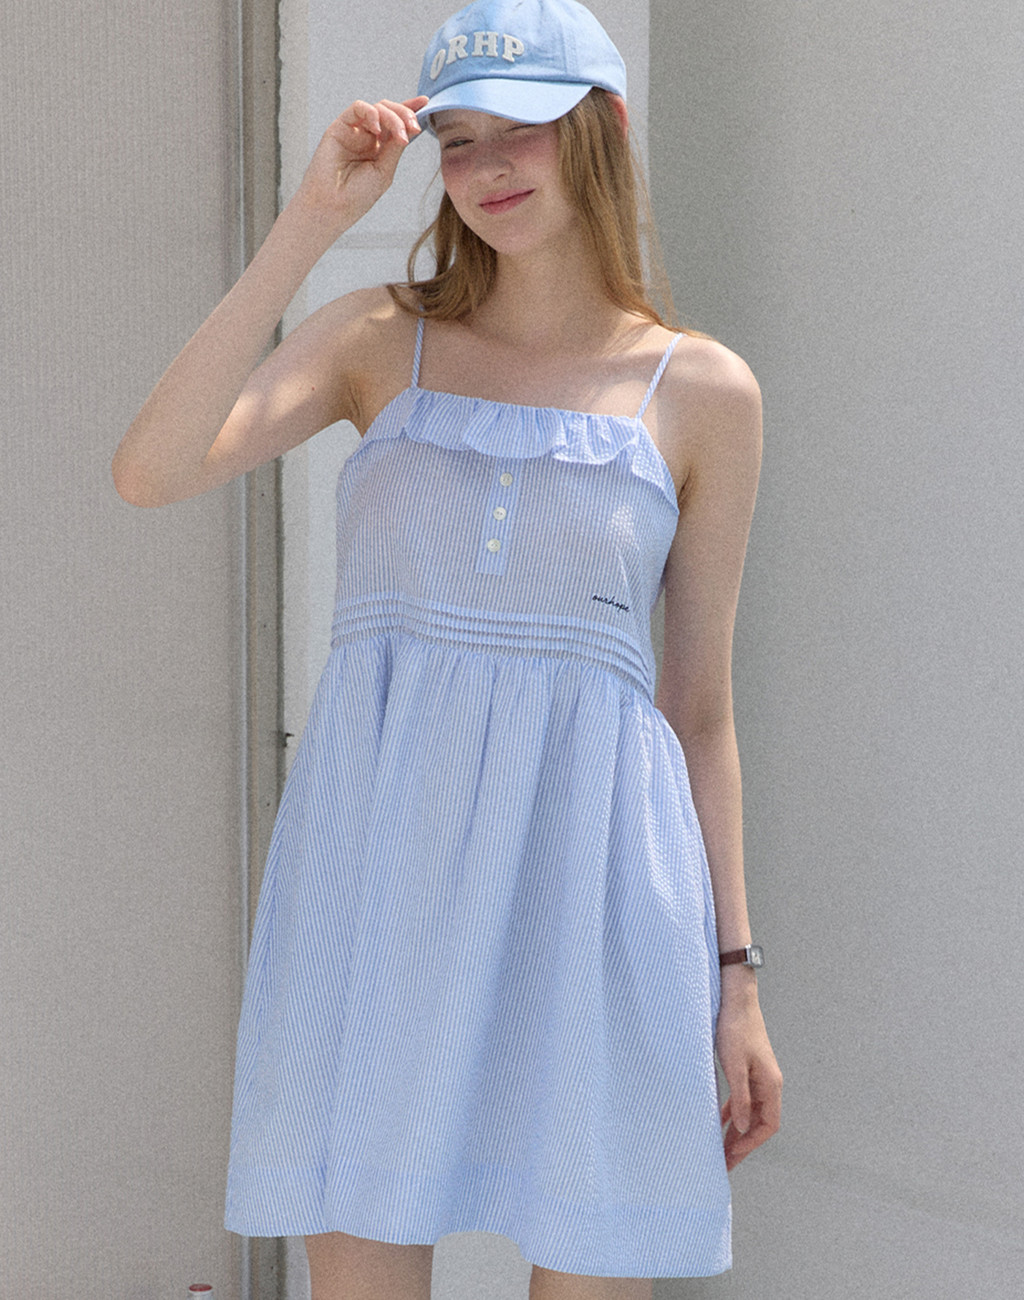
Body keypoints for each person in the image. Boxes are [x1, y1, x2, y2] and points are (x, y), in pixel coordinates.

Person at [113, 0, 782, 1295]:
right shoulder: (378, 339)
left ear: (601, 127)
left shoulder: (703, 391)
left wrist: (738, 982)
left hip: (598, 891)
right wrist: (310, 223)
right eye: (457, 140)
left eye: (518, 129)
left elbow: (698, 707)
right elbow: (152, 469)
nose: (484, 169)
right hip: (379, 878)